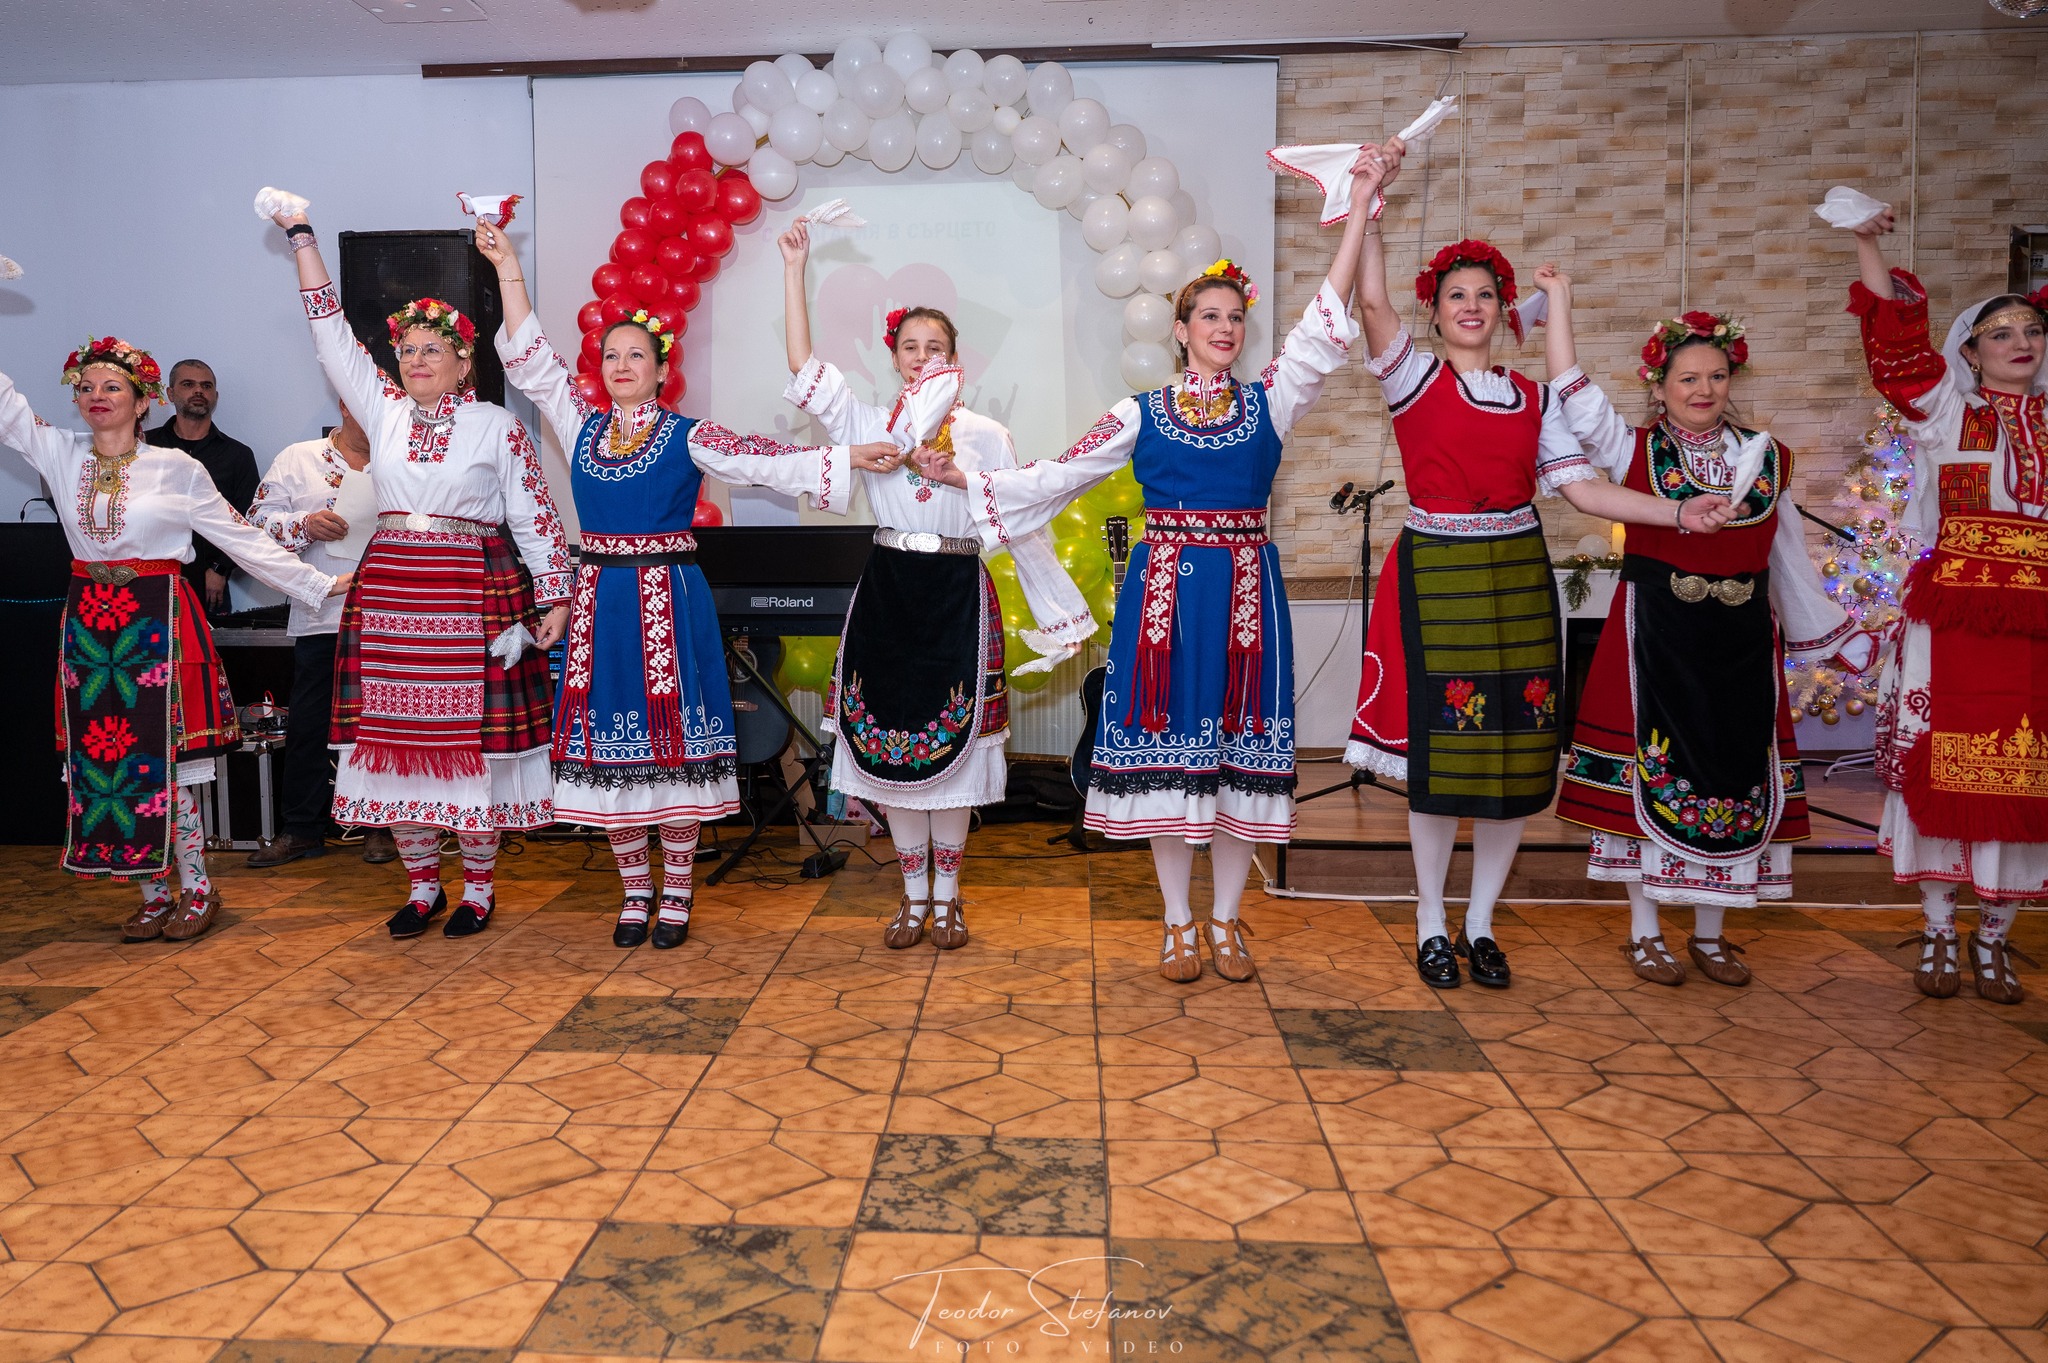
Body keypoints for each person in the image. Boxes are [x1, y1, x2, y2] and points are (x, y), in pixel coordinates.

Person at [915, 161, 1380, 985]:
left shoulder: (1270, 401)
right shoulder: (1142, 411)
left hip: (1245, 601)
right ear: (1181, 329)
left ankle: (1227, 919)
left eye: (1235, 317)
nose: (1225, 328)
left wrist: (1361, 210)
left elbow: (1321, 324)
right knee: (1170, 764)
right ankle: (1176, 921)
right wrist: (969, 480)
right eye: (1210, 316)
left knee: (1236, 763)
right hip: (1163, 604)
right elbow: (1060, 474)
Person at [1341, 136, 1735, 992]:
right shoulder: (1411, 378)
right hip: (1437, 572)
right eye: (1456, 295)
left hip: (1518, 574)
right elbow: (1370, 301)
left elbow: (1586, 490)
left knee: (1515, 756)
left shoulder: (1534, 398)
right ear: (1435, 311)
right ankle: (1431, 918)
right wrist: (1370, 203)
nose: (1472, 306)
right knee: (1443, 760)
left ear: (1502, 308)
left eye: (1485, 294)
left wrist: (1678, 510)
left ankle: (1481, 921)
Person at [477, 219, 873, 948]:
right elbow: (531, 358)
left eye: (637, 354)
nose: (622, 364)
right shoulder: (580, 423)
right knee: (610, 753)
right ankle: (635, 892)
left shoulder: (688, 433)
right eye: (611, 354)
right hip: (602, 605)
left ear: (662, 369)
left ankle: (679, 893)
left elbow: (765, 460)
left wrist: (848, 457)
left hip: (668, 599)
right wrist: (507, 267)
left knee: (672, 750)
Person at [1542, 269, 1878, 986]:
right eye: (1687, 378)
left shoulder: (1769, 458)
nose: (1703, 390)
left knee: (1732, 776)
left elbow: (1785, 556)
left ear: (1733, 380)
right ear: (1658, 387)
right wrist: (1561, 300)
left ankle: (1711, 934)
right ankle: (1644, 932)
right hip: (1654, 636)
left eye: (1717, 376)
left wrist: (1830, 634)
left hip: (1740, 645)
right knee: (1649, 776)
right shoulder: (1633, 449)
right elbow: (1571, 387)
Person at [779, 219, 1098, 954]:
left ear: (957, 360)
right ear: (893, 357)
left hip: (958, 591)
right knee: (891, 757)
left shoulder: (986, 434)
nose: (923, 358)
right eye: (910, 347)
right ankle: (912, 895)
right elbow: (802, 366)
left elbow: (1021, 520)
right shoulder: (869, 421)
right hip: (889, 590)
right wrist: (795, 268)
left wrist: (1057, 610)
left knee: (956, 756)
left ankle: (949, 899)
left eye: (936, 348)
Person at [268, 196, 573, 940]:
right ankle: (420, 886)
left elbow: (534, 514)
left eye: (433, 348)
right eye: (406, 349)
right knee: (395, 748)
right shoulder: (383, 411)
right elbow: (329, 332)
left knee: (468, 752)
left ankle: (479, 889)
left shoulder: (496, 425)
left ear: (465, 361)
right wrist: (302, 235)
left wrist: (554, 595)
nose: (416, 359)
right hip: (394, 595)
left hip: (473, 591)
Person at [0, 337, 347, 941]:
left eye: (112, 387)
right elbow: (6, 406)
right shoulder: (59, 451)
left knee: (164, 764)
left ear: (142, 402)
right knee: (108, 766)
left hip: (157, 620)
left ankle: (199, 889)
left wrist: (319, 584)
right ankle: (154, 893)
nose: (96, 396)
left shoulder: (178, 467)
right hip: (90, 627)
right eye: (86, 387)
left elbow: (242, 540)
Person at [1840, 206, 2048, 1004]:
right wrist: (1867, 240)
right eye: (2002, 332)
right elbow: (1894, 346)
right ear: (1969, 351)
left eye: (2033, 328)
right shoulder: (1947, 411)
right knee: (1945, 771)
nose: (2021, 341)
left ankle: (1994, 938)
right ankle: (1936, 931)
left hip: (2035, 629)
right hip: (1952, 625)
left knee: (2024, 779)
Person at [243, 399, 397, 868]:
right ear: (345, 406)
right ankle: (302, 829)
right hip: (323, 616)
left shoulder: (405, 458)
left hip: (393, 617)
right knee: (309, 724)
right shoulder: (298, 458)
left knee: (382, 726)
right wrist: (305, 525)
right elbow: (254, 526)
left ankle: (381, 827)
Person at [149, 359, 259, 616]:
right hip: (149, 576)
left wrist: (221, 568)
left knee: (211, 643)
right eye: (188, 384)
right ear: (170, 393)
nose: (199, 391)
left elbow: (248, 518)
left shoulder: (237, 455)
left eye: (206, 386)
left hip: (209, 584)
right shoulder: (145, 447)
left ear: (215, 396)